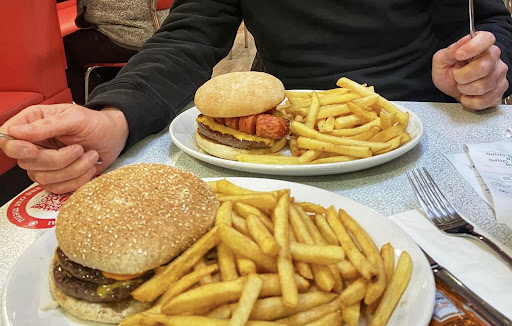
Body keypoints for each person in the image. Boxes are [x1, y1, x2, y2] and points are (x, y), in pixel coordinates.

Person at [1, 0, 511, 194]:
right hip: (281, 145)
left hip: (421, 126)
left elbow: (488, 22)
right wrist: (116, 116)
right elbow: (190, 34)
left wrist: (480, 69)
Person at [63, 0, 170, 104]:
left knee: (62, 52)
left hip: (132, 38)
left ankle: (96, 104)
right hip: (163, 31)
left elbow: (93, 14)